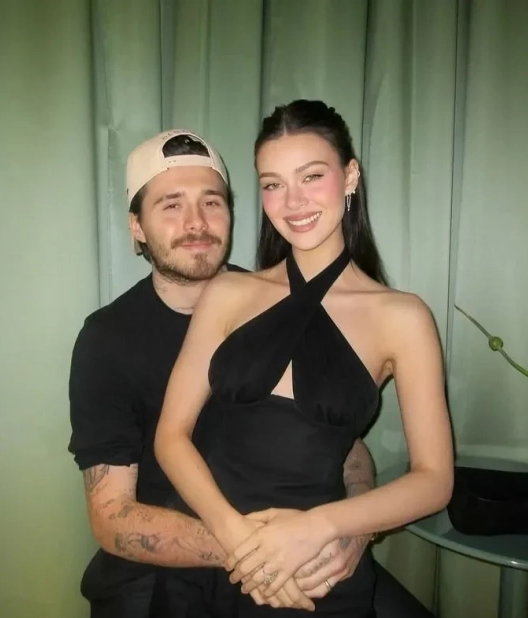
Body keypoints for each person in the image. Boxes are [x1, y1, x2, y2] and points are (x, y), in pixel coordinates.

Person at [68, 128, 436, 617]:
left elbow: (339, 442)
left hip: (302, 544)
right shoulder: (108, 338)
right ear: (137, 226)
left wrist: (353, 531)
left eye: (211, 202)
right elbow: (113, 518)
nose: (196, 222)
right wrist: (260, 555)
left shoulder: (269, 297)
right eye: (172, 205)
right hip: (161, 566)